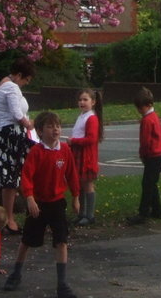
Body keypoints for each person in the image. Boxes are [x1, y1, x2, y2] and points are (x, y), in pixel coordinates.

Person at [2, 110, 80, 298]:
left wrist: (76, 196)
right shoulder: (36, 152)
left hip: (57, 203)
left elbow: (72, 174)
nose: (55, 130)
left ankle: (62, 283)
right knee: (27, 241)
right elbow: (26, 176)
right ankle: (16, 273)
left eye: (58, 126)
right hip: (39, 204)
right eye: (50, 126)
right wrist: (29, 198)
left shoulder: (64, 150)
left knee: (61, 241)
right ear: (39, 131)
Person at [0, 58, 35, 235]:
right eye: (26, 80)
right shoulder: (11, 87)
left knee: (13, 177)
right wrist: (30, 124)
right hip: (10, 135)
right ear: (18, 75)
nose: (25, 84)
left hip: (7, 134)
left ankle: (10, 217)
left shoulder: (4, 84)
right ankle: (9, 219)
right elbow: (17, 114)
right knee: (11, 177)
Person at [129, 86, 161, 224]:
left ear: (148, 105)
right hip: (158, 155)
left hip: (152, 156)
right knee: (151, 183)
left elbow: (145, 141)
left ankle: (143, 213)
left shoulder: (147, 120)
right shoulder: (154, 117)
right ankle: (157, 210)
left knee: (147, 184)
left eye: (140, 107)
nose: (139, 110)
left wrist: (142, 154)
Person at [67, 88, 102, 226]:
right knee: (80, 184)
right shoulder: (81, 116)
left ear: (93, 102)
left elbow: (91, 139)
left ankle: (89, 215)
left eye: (85, 99)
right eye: (80, 100)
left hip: (86, 156)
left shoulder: (91, 118)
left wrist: (73, 141)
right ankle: (81, 213)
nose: (82, 102)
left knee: (87, 184)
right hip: (78, 153)